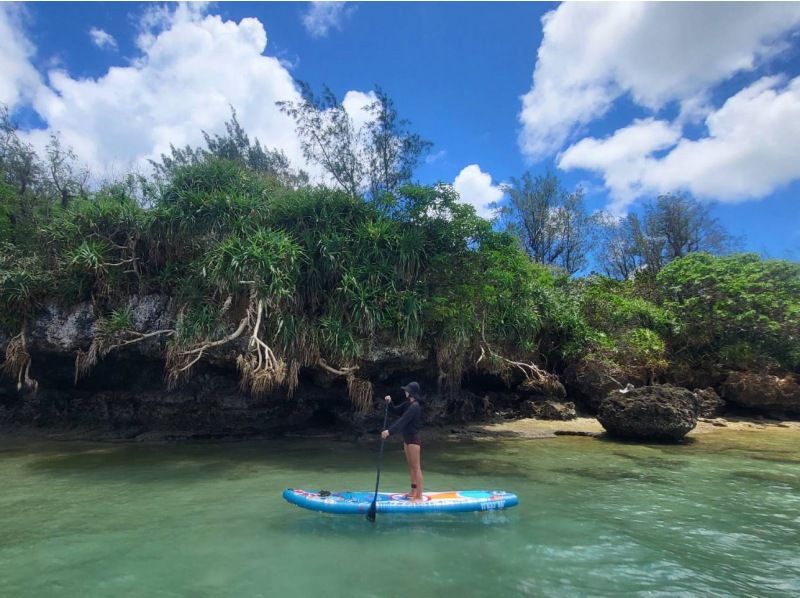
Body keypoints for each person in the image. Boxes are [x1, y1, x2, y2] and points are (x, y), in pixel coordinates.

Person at [382, 381, 424, 501]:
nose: (405, 392)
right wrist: (389, 403)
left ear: (411, 393)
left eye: (407, 390)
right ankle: (413, 490)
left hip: (414, 440)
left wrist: (389, 432)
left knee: (416, 467)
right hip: (406, 439)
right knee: (411, 466)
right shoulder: (407, 404)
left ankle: (419, 496)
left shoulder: (415, 407)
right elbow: (394, 411)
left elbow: (403, 421)